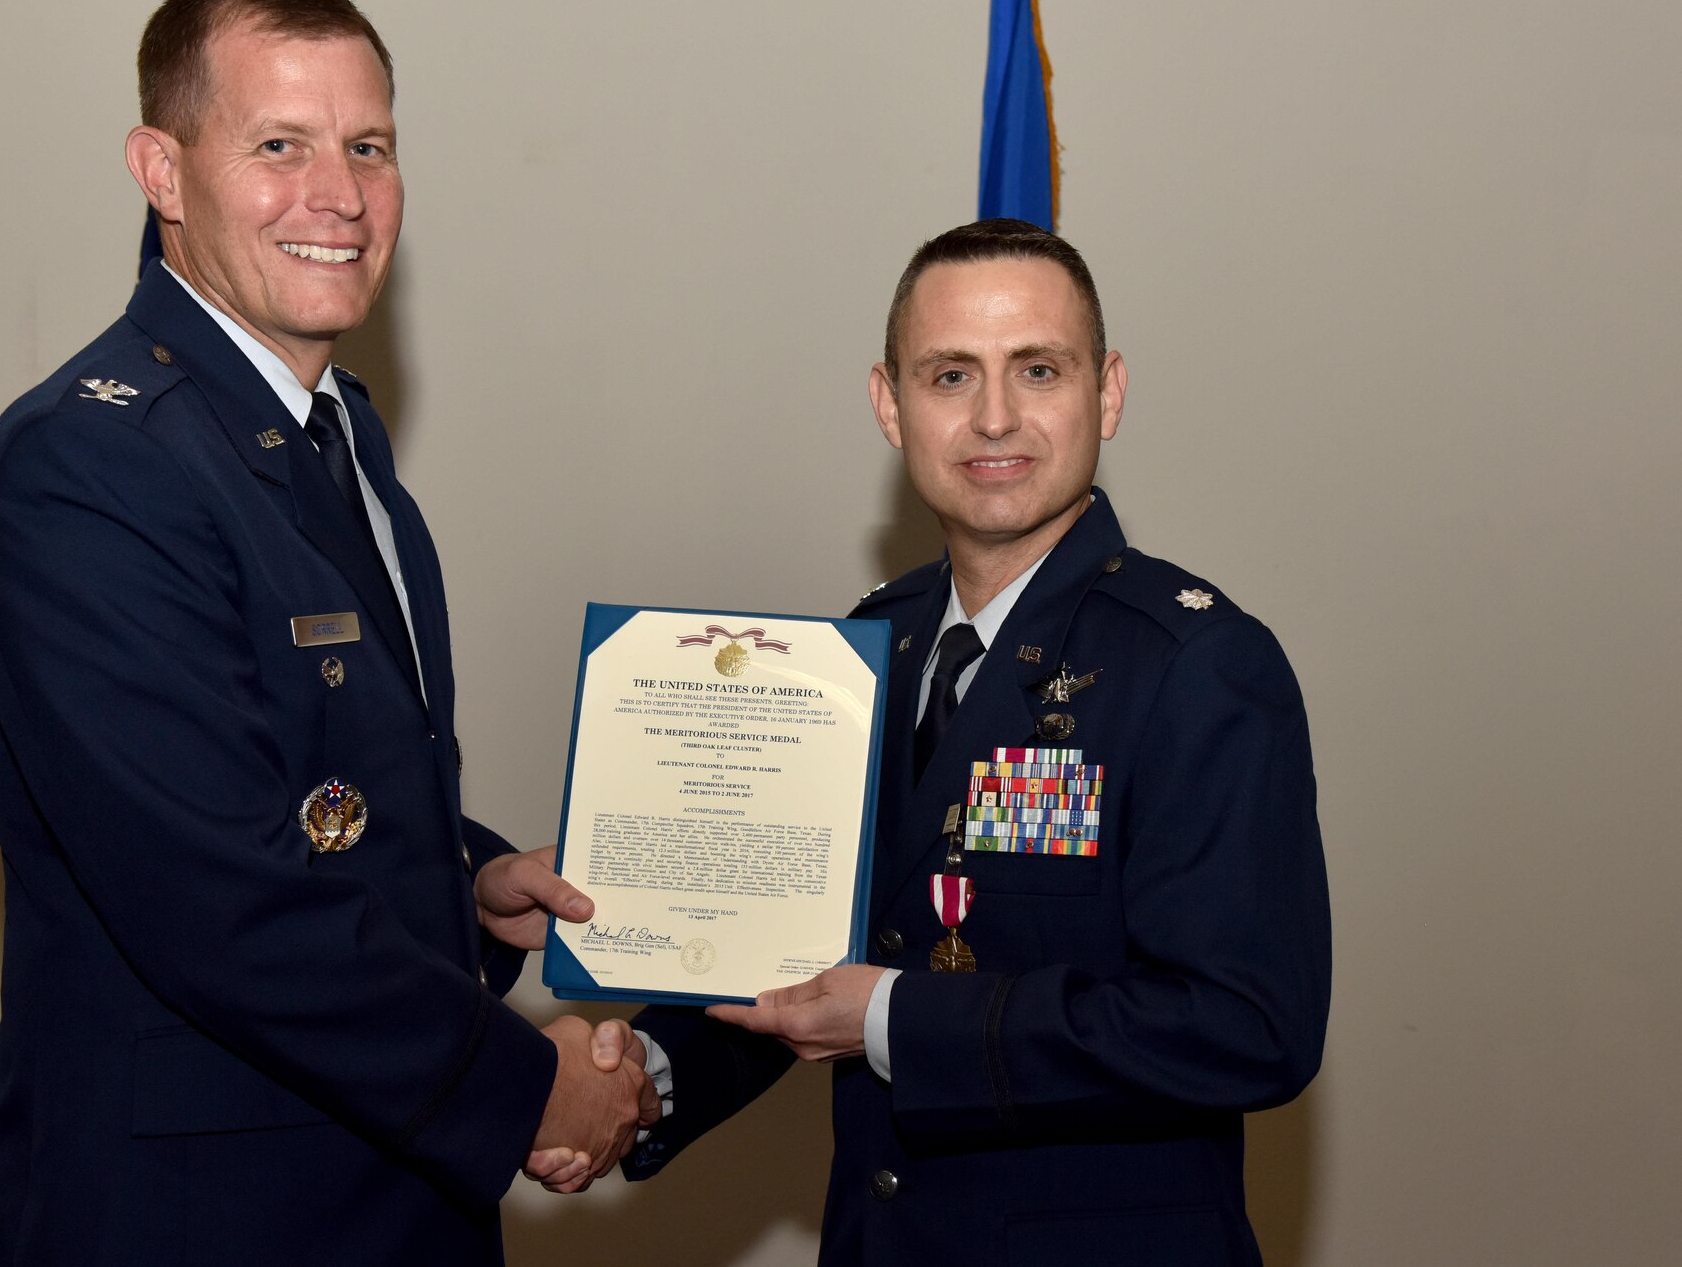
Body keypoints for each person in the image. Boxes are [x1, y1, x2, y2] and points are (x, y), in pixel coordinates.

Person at [0, 0, 650, 1265]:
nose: (337, 195)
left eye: (368, 146)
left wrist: (460, 880)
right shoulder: (92, 467)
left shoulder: (334, 436)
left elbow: (304, 782)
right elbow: (221, 903)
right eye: (280, 145)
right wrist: (525, 1087)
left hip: (376, 1199)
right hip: (193, 1222)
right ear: (161, 169)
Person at [557, 220, 1331, 1265]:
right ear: (889, 404)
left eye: (1038, 370)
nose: (994, 417)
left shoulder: (1194, 664)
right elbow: (805, 941)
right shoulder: (869, 644)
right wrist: (643, 1074)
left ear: (1105, 392)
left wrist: (893, 1020)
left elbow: (1243, 1025)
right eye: (950, 374)